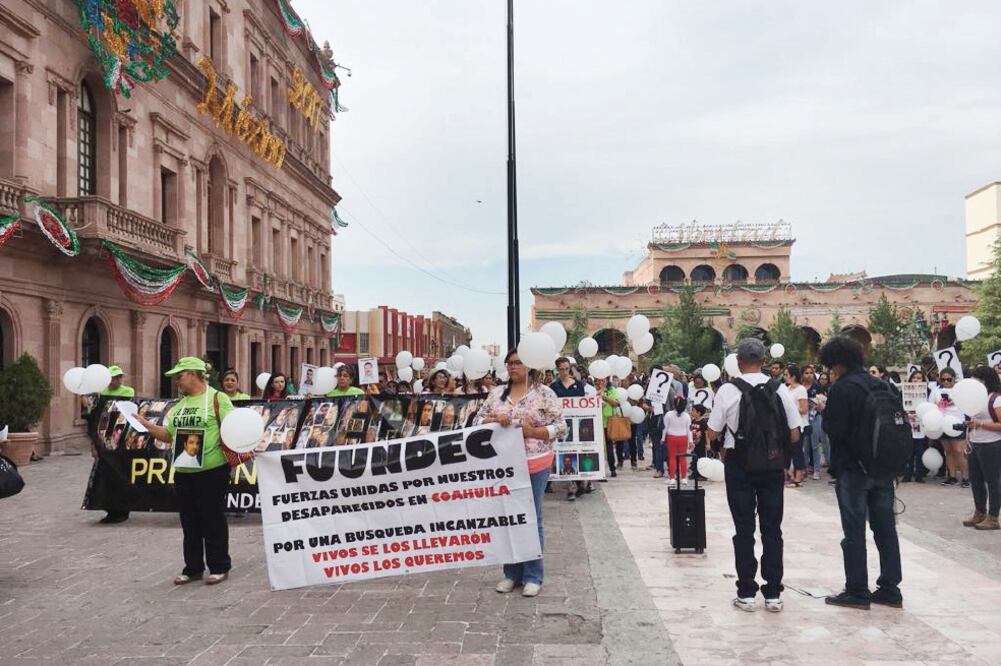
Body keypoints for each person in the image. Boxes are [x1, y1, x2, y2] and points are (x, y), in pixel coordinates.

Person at [707, 338, 801, 613]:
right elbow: (795, 432)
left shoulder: (727, 390)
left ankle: (746, 591)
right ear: (764, 360)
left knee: (744, 529)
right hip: (772, 466)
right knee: (773, 529)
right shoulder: (780, 389)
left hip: (739, 464)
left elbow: (713, 429)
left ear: (738, 362)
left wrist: (721, 445)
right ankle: (773, 592)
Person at [820, 336, 903, 610]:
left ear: (836, 362)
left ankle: (857, 590)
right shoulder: (882, 385)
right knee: (886, 529)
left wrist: (825, 410)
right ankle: (890, 589)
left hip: (854, 470)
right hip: (883, 466)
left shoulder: (842, 389)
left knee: (854, 531)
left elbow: (834, 430)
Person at [136, 357, 234, 586]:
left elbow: (233, 429)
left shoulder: (218, 399)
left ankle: (219, 565)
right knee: (189, 521)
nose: (177, 381)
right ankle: (193, 567)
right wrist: (148, 426)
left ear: (193, 373)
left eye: (179, 376)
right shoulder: (179, 406)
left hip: (212, 469)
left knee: (213, 518)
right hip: (183, 470)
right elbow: (168, 436)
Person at [475, 349, 565, 598]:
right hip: (503, 465)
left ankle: (533, 575)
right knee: (507, 518)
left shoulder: (544, 394)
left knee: (531, 518)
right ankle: (511, 573)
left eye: (517, 363)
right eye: (509, 363)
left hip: (535, 462)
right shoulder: (496, 394)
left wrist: (533, 432)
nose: (512, 367)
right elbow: (475, 421)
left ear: (530, 365)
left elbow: (561, 426)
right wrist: (494, 419)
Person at [963, 366, 1001, 530]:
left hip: (991, 444)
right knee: (976, 480)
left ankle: (993, 516)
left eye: (977, 379)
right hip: (975, 442)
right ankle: (980, 511)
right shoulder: (976, 399)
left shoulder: (996, 399)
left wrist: (981, 424)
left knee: (993, 481)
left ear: (985, 380)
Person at [550, 357, 589, 501]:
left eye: (567, 368)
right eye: (561, 369)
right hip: (561, 425)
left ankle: (582, 481)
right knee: (566, 454)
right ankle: (571, 486)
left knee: (578, 451)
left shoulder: (578, 385)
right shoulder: (554, 387)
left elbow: (583, 404)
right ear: (557, 369)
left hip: (577, 424)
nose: (565, 371)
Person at [931, 368, 968, 487]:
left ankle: (966, 477)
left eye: (949, 379)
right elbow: (931, 405)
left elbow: (967, 404)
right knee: (948, 451)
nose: (946, 381)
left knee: (958, 451)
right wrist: (941, 404)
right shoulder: (936, 390)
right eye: (943, 379)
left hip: (958, 422)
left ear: (954, 378)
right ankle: (952, 476)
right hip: (942, 423)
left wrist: (953, 401)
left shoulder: (960, 390)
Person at [784, 364, 809, 487]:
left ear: (793, 376)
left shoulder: (801, 389)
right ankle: (789, 474)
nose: (785, 377)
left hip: (798, 424)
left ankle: (799, 476)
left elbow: (804, 409)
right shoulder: (787, 389)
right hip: (788, 424)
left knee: (797, 449)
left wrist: (791, 409)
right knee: (787, 450)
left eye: (787, 375)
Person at [903, 369, 929, 483]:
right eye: (914, 378)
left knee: (920, 450)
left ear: (923, 379)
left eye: (919, 378)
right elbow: (900, 407)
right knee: (908, 451)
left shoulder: (928, 391)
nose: (916, 380)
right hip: (908, 424)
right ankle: (907, 474)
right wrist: (908, 416)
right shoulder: (904, 391)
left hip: (922, 425)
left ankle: (919, 474)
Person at [663, 396, 692, 484]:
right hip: (683, 437)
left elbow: (665, 428)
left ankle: (672, 478)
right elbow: (689, 430)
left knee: (672, 458)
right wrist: (690, 441)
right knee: (683, 458)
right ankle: (684, 478)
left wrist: (663, 438)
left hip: (671, 437)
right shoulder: (687, 416)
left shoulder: (668, 414)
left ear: (674, 404)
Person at [599, 377, 622, 477]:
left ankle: (612, 468)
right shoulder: (593, 389)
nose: (602, 382)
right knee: (598, 448)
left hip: (609, 422)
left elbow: (616, 403)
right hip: (596, 422)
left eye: (604, 379)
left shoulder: (611, 390)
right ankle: (600, 471)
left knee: (609, 447)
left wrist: (604, 397)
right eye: (600, 380)